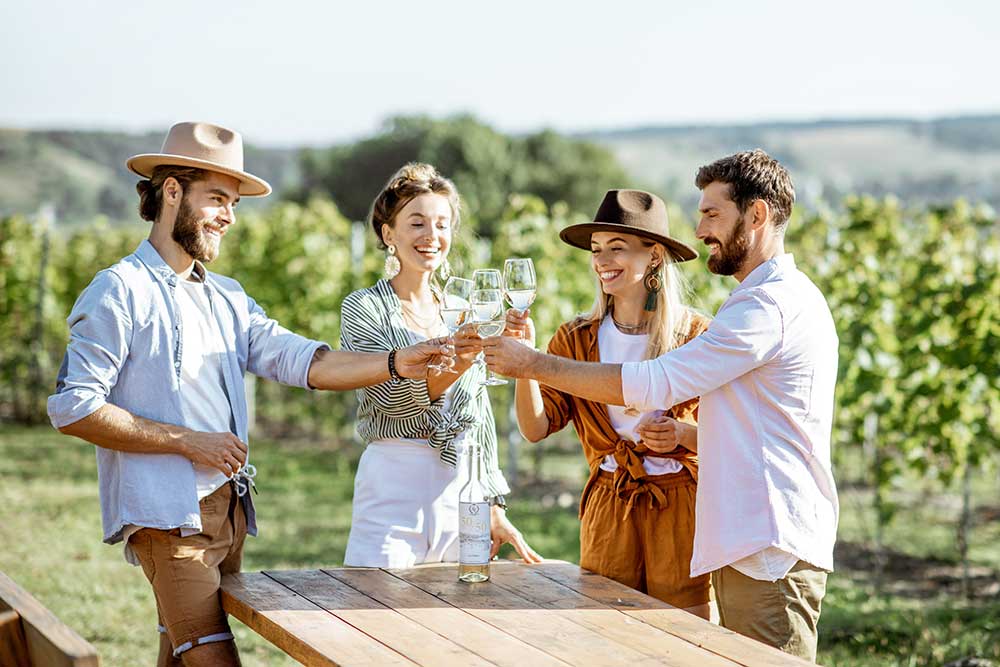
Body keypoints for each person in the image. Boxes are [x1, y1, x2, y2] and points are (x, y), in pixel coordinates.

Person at [47, 122, 451, 667]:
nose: (229, 216)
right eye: (217, 198)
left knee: (181, 652)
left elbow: (305, 360)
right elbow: (74, 407)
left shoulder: (228, 298)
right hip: (171, 520)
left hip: (228, 512)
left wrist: (397, 362)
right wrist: (190, 442)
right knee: (212, 656)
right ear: (172, 191)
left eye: (234, 203)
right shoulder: (120, 289)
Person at [483, 150, 838, 662]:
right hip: (743, 534)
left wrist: (531, 364)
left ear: (756, 215)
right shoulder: (758, 301)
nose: (701, 229)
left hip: (766, 539)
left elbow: (656, 382)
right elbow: (738, 425)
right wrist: (533, 364)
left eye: (712, 214)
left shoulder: (764, 307)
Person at [503, 189, 711, 618]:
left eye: (617, 248)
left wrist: (682, 435)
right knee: (606, 634)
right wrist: (526, 363)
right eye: (596, 250)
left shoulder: (696, 336)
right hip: (610, 506)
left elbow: (731, 436)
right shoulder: (576, 338)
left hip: (679, 509)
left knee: (685, 638)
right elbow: (535, 428)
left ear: (654, 256)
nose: (601, 261)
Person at [339, 163, 542, 569]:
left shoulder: (465, 312)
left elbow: (479, 417)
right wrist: (460, 362)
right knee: (376, 616)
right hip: (393, 487)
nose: (432, 236)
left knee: (458, 621)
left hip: (461, 494)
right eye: (417, 223)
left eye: (442, 225)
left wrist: (493, 503)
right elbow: (390, 398)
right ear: (388, 234)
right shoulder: (363, 308)